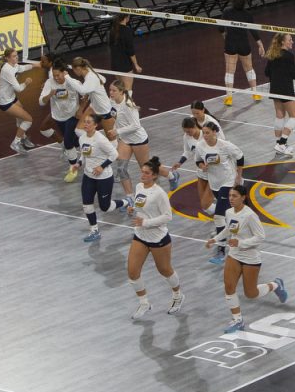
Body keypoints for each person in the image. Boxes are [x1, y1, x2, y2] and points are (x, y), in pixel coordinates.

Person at [207, 184, 288, 334]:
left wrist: (241, 243)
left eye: (234, 196)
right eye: (230, 196)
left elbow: (260, 237)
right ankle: (238, 320)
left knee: (251, 294)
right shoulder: (229, 212)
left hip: (251, 258)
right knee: (229, 286)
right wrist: (216, 239)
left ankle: (275, 285)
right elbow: (228, 229)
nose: (231, 199)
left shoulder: (250, 215)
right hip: (234, 255)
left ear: (243, 198)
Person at [126, 157, 185, 318]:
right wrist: (133, 210)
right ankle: (144, 303)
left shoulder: (159, 194)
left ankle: (178, 295)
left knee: (165, 270)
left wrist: (145, 222)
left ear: (154, 175)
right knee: (132, 272)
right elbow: (141, 208)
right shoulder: (139, 187)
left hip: (158, 238)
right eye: (142, 172)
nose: (142, 175)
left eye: (146, 173)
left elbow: (168, 217)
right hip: (140, 236)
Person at [196, 121, 246, 264]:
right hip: (214, 183)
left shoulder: (225, 145)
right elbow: (198, 160)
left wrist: (239, 175)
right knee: (228, 213)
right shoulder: (200, 146)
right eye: (203, 133)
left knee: (218, 216)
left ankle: (221, 250)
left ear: (214, 132)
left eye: (207, 132)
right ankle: (235, 233)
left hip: (228, 182)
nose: (205, 135)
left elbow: (240, 156)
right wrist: (202, 166)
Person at [76, 113, 131, 243]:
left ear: (95, 125)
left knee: (105, 207)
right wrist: (78, 163)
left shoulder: (100, 139)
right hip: (89, 176)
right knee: (87, 204)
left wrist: (102, 166)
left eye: (89, 122)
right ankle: (94, 230)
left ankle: (127, 202)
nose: (86, 124)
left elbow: (114, 154)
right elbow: (83, 155)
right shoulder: (82, 138)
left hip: (104, 178)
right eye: (85, 122)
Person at [40, 61, 82, 183]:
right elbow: (41, 102)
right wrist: (49, 95)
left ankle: (73, 170)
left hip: (72, 116)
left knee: (68, 142)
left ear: (65, 73)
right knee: (75, 142)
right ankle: (92, 149)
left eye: (58, 75)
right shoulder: (49, 83)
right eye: (54, 75)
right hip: (58, 117)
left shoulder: (74, 83)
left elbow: (86, 95)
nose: (56, 78)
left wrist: (81, 109)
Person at [220, 0, 264, 105]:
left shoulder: (227, 12)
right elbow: (253, 30)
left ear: (233, 2)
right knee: (249, 69)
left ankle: (229, 98)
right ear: (244, 3)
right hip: (244, 45)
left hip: (230, 44)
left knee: (230, 71)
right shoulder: (247, 15)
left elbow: (220, 27)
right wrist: (260, 44)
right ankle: (255, 94)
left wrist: (224, 34)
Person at [110, 81, 150, 197]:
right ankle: (130, 197)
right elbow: (117, 119)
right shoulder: (112, 102)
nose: (111, 93)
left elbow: (136, 125)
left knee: (146, 169)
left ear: (121, 92)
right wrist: (115, 130)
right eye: (110, 90)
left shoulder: (128, 105)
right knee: (121, 168)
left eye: (114, 91)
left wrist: (117, 131)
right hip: (125, 140)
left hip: (138, 140)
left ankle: (170, 175)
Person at [264, 33, 295, 156]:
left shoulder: (272, 54)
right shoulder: (289, 56)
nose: (292, 41)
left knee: (280, 115)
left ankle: (278, 143)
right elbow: (294, 75)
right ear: (283, 42)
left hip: (274, 88)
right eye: (290, 40)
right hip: (286, 89)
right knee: (294, 116)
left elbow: (266, 72)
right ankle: (282, 143)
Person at [0, 48, 34, 154]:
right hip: (4, 102)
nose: (16, 57)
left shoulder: (14, 65)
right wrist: (26, 83)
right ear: (7, 58)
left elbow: (22, 68)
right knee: (28, 119)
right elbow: (19, 89)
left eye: (17, 55)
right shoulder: (7, 70)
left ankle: (23, 137)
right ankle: (15, 143)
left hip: (11, 97)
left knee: (21, 114)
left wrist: (36, 65)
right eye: (13, 56)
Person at [67, 56, 116, 137]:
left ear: (78, 69)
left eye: (74, 70)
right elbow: (103, 79)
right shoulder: (89, 72)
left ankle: (98, 141)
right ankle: (95, 142)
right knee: (79, 130)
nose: (74, 72)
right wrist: (90, 91)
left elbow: (82, 90)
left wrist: (67, 77)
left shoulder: (91, 77)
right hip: (94, 106)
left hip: (104, 110)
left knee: (111, 138)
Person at [108, 13, 141, 95]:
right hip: (124, 65)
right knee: (127, 90)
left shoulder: (112, 30)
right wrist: (136, 65)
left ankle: (122, 107)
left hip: (115, 64)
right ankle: (129, 107)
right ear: (126, 18)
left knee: (120, 89)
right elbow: (130, 50)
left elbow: (110, 46)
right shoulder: (127, 31)